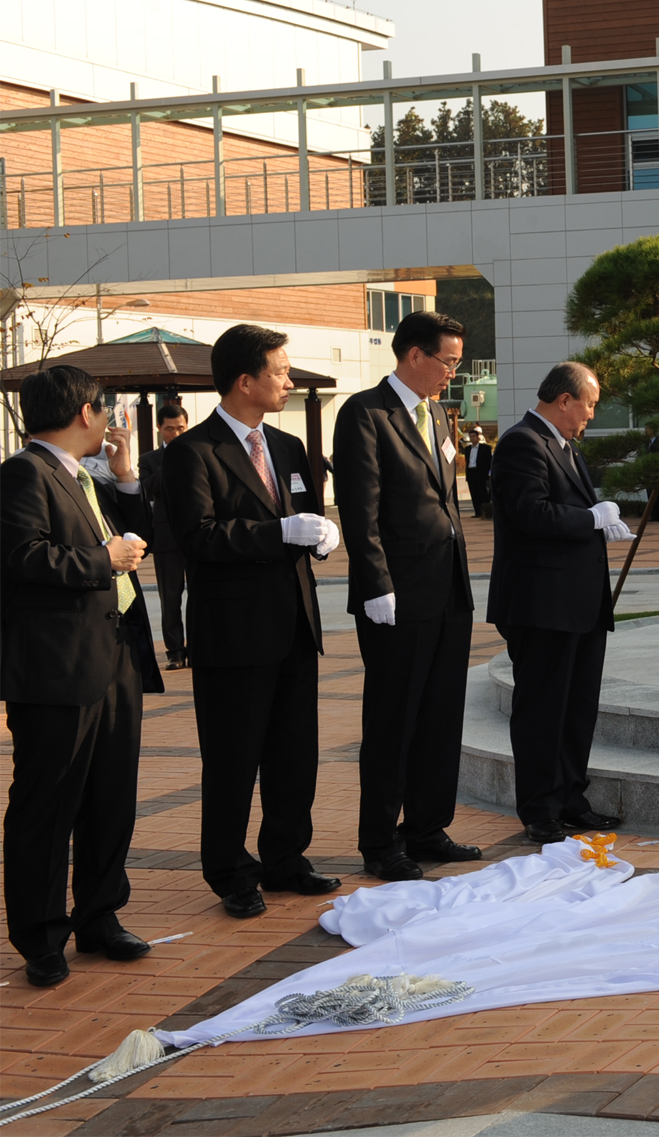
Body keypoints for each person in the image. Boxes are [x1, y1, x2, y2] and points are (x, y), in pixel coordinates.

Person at [164, 325, 342, 919]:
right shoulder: (193, 452)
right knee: (234, 758)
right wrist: (279, 533)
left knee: (295, 754)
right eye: (281, 372)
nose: (289, 382)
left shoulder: (288, 447)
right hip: (234, 635)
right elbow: (198, 538)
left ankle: (286, 858)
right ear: (246, 380)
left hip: (294, 622)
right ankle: (231, 872)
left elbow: (299, 514)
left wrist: (317, 535)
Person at [2, 365, 162, 987]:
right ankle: (41, 937)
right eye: (106, 410)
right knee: (48, 802)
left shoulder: (81, 476)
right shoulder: (23, 474)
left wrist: (124, 481)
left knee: (110, 795)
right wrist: (105, 559)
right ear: (83, 412)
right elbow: (22, 557)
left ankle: (100, 915)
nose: (109, 421)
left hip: (114, 653)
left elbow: (142, 536)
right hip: (57, 666)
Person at [332, 310, 482, 882]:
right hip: (396, 596)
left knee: (440, 716)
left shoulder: (438, 416)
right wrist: (376, 584)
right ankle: (380, 840)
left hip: (448, 589)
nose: (453, 372)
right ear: (414, 355)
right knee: (394, 720)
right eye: (448, 361)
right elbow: (359, 509)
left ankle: (426, 827)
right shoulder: (366, 414)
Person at [488, 362, 631, 843]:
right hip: (541, 604)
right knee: (543, 709)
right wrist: (590, 519)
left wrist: (597, 523)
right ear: (564, 399)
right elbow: (531, 514)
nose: (591, 415)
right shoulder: (522, 442)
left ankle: (571, 797)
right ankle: (540, 809)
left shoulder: (565, 446)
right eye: (588, 404)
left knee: (576, 709)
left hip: (579, 604)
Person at [137, 401, 191, 669]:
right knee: (170, 596)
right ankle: (175, 652)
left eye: (180, 428)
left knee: (200, 594)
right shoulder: (149, 460)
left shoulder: (197, 451)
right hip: (166, 536)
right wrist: (168, 462)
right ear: (160, 429)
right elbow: (145, 490)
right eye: (170, 429)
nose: (176, 434)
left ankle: (198, 647)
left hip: (197, 533)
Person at [465, 427, 492, 519]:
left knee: (482, 493)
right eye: (471, 436)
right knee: (474, 493)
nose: (472, 438)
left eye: (474, 436)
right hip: (471, 472)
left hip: (481, 473)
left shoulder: (485, 448)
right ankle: (477, 512)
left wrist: (489, 473)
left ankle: (486, 512)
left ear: (478, 437)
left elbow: (489, 461)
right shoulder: (467, 449)